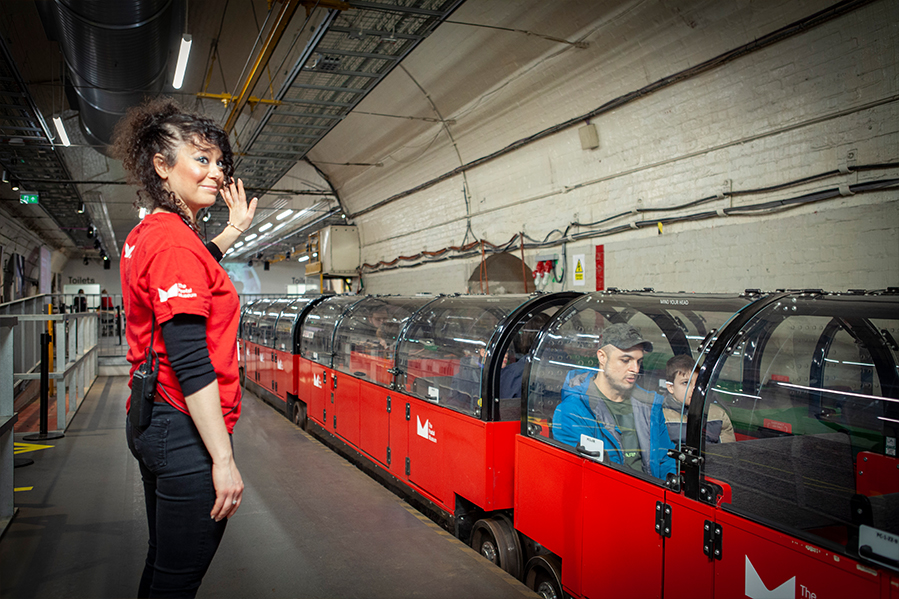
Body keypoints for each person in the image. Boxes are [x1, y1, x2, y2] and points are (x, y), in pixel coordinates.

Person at [112, 97, 257, 598]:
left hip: (150, 417)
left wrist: (233, 230)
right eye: (201, 159)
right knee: (177, 581)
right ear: (161, 167)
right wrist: (222, 458)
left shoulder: (150, 234)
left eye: (220, 162)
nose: (216, 172)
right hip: (184, 426)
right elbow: (189, 357)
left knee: (163, 563)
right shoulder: (174, 243)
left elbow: (197, 268)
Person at [552, 323, 675, 480]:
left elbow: (665, 458)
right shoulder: (573, 411)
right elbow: (584, 477)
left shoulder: (649, 407)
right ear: (602, 357)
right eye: (626, 360)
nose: (635, 369)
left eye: (639, 361)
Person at [663, 354, 735, 444]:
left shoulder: (718, 415)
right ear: (671, 387)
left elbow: (728, 452)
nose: (694, 388)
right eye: (685, 383)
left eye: (697, 383)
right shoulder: (660, 417)